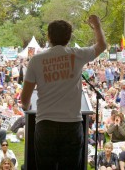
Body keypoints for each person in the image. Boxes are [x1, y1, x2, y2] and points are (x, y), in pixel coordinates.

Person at [20, 15, 107, 169]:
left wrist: (26, 107)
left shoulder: (36, 60)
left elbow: (25, 97)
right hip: (72, 125)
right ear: (69, 37)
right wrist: (97, 25)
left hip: (45, 124)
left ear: (48, 36)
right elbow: (101, 46)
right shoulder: (77, 54)